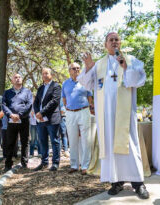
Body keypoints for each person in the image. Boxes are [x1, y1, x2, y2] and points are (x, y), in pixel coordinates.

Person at [78, 32, 149, 199]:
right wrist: (88, 67)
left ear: (121, 42)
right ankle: (116, 182)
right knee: (110, 146)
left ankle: (138, 183)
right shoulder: (99, 64)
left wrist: (125, 67)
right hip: (106, 116)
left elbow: (138, 80)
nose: (114, 42)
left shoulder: (130, 60)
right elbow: (86, 83)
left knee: (130, 145)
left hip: (125, 115)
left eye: (117, 39)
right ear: (105, 45)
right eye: (111, 40)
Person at [62, 62, 93, 175]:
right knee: (72, 139)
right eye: (73, 68)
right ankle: (74, 165)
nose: (76, 70)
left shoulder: (85, 82)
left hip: (84, 111)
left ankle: (85, 166)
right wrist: (67, 109)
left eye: (78, 68)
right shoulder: (65, 83)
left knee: (86, 139)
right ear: (69, 70)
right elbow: (64, 98)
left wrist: (89, 106)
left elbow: (90, 96)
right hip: (70, 113)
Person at [33, 68, 62, 172]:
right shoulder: (40, 88)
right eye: (43, 74)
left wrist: (42, 112)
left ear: (51, 75)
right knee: (42, 141)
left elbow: (54, 102)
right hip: (40, 120)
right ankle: (44, 162)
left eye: (47, 73)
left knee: (54, 141)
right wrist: (37, 113)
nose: (44, 75)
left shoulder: (56, 86)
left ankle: (55, 163)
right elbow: (36, 102)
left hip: (52, 119)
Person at [2, 74, 33, 171]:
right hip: (11, 120)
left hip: (23, 120)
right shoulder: (7, 92)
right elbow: (3, 105)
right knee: (10, 142)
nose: (18, 78)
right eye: (15, 77)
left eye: (19, 77)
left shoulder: (27, 92)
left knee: (24, 142)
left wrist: (19, 115)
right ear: (12, 81)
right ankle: (8, 164)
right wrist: (11, 115)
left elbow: (29, 105)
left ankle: (24, 163)